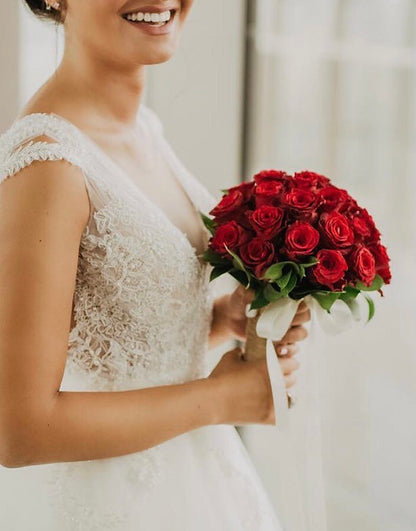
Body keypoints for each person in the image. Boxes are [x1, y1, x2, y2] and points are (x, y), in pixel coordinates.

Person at [0, 1, 310, 529]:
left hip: (194, 480)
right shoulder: (49, 164)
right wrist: (220, 400)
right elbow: (18, 430)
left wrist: (217, 320)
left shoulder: (144, 127)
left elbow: (105, 339)